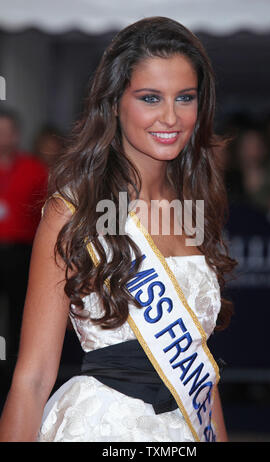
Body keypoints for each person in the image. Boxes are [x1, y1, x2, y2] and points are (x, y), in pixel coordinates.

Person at [0, 16, 237, 443]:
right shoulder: (73, 212)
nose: (171, 116)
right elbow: (33, 378)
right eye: (150, 97)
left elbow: (200, 370)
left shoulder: (194, 208)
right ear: (114, 103)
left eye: (185, 98)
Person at [0, 108, 48, 361]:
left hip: (22, 252)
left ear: (16, 135)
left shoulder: (34, 169)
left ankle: (15, 362)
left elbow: (46, 213)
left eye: (7, 132)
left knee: (21, 312)